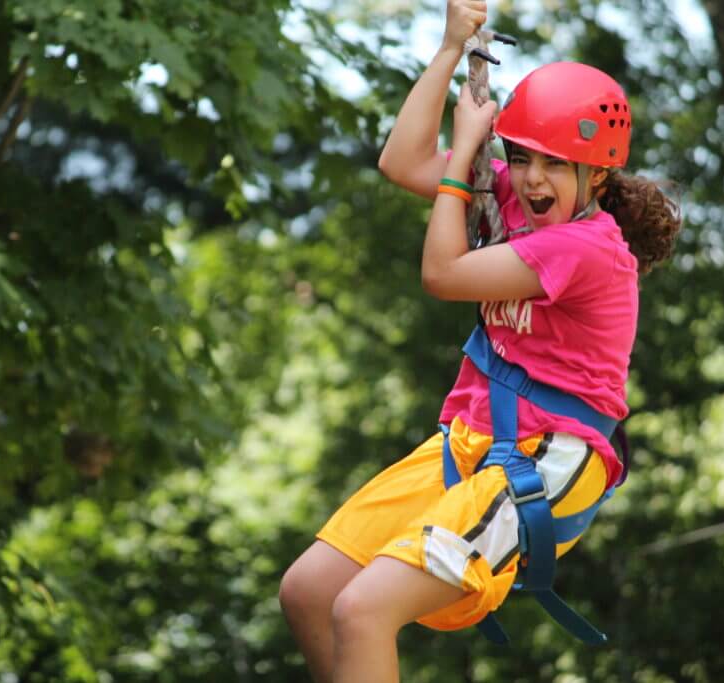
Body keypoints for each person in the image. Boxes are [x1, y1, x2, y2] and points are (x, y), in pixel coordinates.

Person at [277, 1, 682, 681]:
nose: (530, 179)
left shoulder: (588, 249)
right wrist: (445, 53)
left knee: (363, 610)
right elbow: (402, 160)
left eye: (555, 164)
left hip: (549, 455)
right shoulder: (517, 206)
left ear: (600, 176)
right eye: (521, 157)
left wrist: (466, 150)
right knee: (310, 591)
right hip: (472, 440)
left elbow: (442, 273)